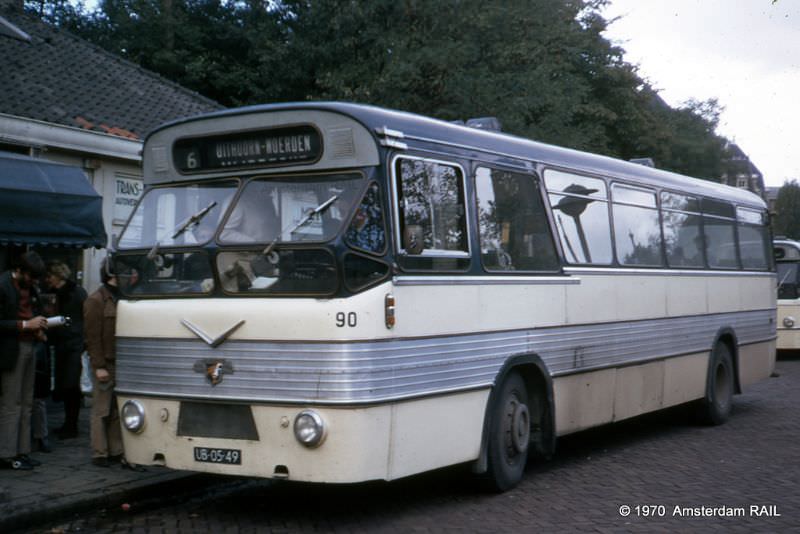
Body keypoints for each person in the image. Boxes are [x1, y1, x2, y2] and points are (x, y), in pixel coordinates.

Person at [84, 259, 142, 469]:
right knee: (101, 410)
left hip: (120, 361)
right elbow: (92, 337)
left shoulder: (121, 298)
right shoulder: (96, 300)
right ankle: (99, 452)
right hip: (106, 362)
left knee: (117, 410)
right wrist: (98, 365)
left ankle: (115, 450)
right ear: (113, 275)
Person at [0, 251, 48, 470]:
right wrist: (25, 325)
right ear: (19, 271)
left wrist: (40, 329)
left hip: (30, 346)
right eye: (30, 277)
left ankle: (23, 451)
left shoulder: (32, 288)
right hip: (11, 349)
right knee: (12, 403)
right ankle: (7, 454)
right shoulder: (3, 285)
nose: (33, 282)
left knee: (27, 401)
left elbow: (35, 312)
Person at [45, 261, 87, 440]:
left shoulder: (76, 293)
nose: (48, 280)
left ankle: (71, 424)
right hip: (61, 344)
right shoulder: (54, 294)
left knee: (71, 386)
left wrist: (81, 338)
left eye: (50, 276)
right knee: (64, 384)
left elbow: (84, 316)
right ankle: (68, 424)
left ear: (58, 276)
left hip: (72, 344)